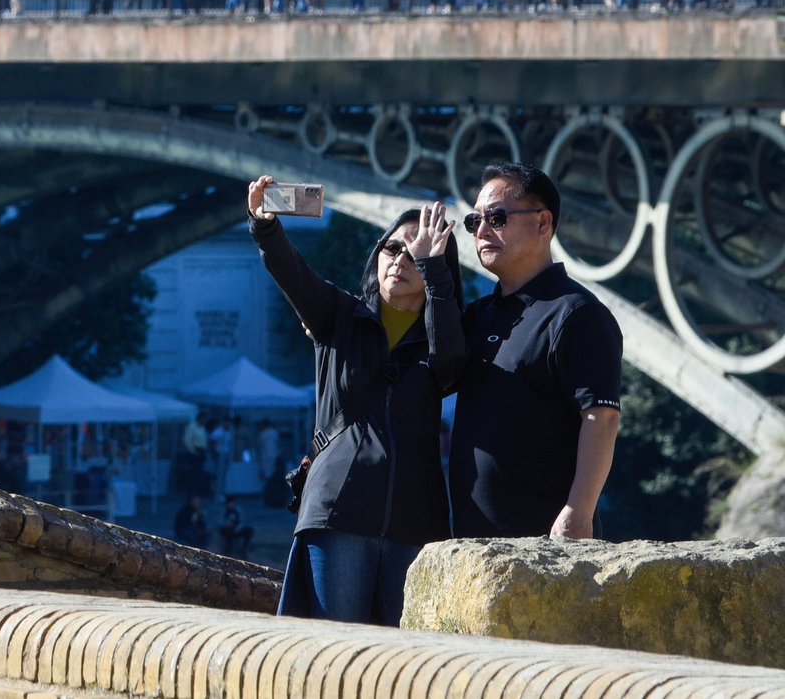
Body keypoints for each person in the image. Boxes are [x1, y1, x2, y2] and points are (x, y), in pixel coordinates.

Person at [247, 176, 465, 626]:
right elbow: (291, 271)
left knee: (409, 655)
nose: (400, 259)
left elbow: (451, 364)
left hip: (415, 521)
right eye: (392, 248)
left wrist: (435, 271)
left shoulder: (443, 338)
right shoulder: (338, 316)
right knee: (335, 649)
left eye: (416, 253)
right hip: (337, 513)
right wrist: (265, 225)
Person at [450, 163, 622, 540]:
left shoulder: (577, 312)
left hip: (545, 544)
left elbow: (602, 418)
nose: (482, 231)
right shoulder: (477, 316)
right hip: (469, 542)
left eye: (497, 217)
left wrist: (578, 511)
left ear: (543, 222)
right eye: (474, 221)